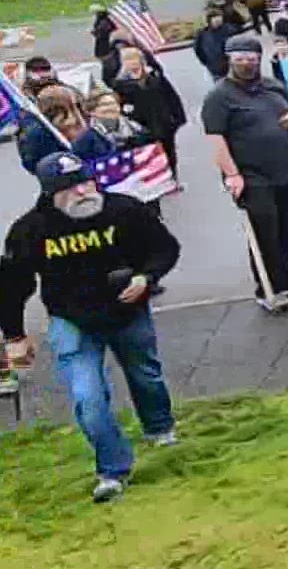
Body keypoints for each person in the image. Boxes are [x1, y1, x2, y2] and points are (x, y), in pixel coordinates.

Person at [1, 152, 180, 503]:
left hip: (128, 313)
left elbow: (165, 248)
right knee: (88, 398)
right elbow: (10, 286)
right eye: (71, 187)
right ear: (51, 193)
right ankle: (112, 470)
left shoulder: (125, 211)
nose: (83, 191)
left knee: (145, 375)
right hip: (72, 322)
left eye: (86, 181)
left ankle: (160, 427)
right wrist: (15, 337)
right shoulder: (30, 231)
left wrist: (147, 277)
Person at [202, 33, 288, 312]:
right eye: (239, 59)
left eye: (251, 59)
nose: (246, 63)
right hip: (249, 175)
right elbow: (216, 138)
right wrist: (231, 174)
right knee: (264, 229)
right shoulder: (219, 96)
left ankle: (285, 278)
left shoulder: (272, 87)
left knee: (286, 225)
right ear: (229, 59)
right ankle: (267, 288)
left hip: (283, 168)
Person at [111, 45, 187, 175]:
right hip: (142, 125)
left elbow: (171, 96)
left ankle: (173, 175)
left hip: (163, 121)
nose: (132, 63)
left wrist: (178, 117)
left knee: (169, 150)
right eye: (128, 60)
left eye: (134, 59)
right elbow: (119, 105)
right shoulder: (120, 84)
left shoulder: (155, 76)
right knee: (151, 155)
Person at [17, 86, 111, 173]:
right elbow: (37, 166)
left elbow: (107, 148)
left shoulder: (85, 120)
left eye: (75, 104)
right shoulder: (39, 133)